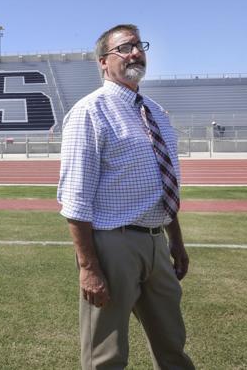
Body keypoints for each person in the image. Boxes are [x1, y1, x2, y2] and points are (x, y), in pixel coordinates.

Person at [58, 24, 194, 370]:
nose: (135, 52)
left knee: (173, 345)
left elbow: (165, 183)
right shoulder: (91, 111)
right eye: (124, 48)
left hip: (156, 242)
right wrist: (88, 267)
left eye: (138, 45)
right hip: (112, 245)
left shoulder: (157, 113)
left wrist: (175, 241)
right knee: (106, 355)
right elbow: (75, 199)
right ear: (104, 63)